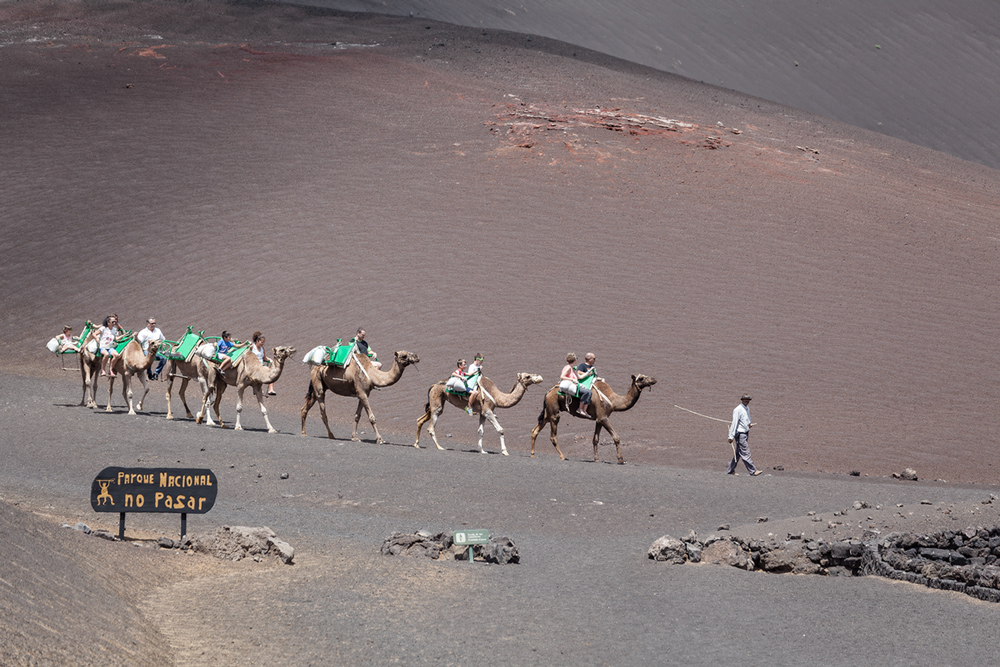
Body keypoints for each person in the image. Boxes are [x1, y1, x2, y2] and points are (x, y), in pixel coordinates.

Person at [727, 393, 762, 476]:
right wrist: (730, 436)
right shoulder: (737, 409)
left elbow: (746, 419)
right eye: (745, 400)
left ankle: (730, 470)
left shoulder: (747, 408)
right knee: (745, 452)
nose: (747, 401)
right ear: (742, 400)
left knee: (738, 453)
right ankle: (753, 471)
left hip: (746, 432)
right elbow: (734, 423)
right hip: (740, 434)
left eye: (748, 400)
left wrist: (748, 425)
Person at [559, 353, 591, 417]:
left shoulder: (572, 368)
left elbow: (579, 377)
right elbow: (562, 376)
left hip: (575, 385)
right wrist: (571, 379)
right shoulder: (568, 368)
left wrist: (588, 373)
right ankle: (580, 409)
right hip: (572, 386)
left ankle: (584, 411)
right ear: (574, 360)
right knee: (587, 392)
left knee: (588, 391)